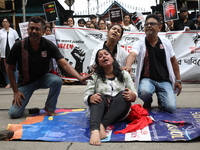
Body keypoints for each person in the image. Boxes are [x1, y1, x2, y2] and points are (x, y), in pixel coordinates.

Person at [6, 16, 90, 119]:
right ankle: (22, 106)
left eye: (37, 29)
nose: (34, 31)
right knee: (14, 114)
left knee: (57, 80)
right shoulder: (18, 46)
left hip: (43, 78)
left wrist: (79, 77)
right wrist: (15, 91)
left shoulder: (48, 45)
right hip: (25, 82)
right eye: (31, 28)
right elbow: (9, 68)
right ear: (27, 30)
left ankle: (49, 107)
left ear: (43, 31)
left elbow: (64, 64)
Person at [123, 14, 182, 113]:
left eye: (152, 24)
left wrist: (178, 80)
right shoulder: (140, 43)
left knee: (170, 108)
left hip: (164, 80)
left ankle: (160, 96)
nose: (149, 26)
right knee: (144, 92)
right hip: (147, 79)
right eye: (147, 24)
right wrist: (128, 66)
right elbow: (132, 55)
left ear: (159, 27)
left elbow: (174, 61)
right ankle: (148, 100)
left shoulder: (166, 42)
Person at [84, 49, 137, 146]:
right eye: (100, 56)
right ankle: (95, 130)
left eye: (106, 54)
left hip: (119, 112)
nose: (104, 56)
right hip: (100, 112)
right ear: (99, 63)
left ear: (112, 58)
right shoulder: (94, 76)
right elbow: (87, 95)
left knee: (123, 94)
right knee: (97, 97)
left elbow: (133, 93)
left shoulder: (124, 74)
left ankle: (102, 125)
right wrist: (90, 98)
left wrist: (132, 95)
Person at [0, 18, 19, 88]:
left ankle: (16, 82)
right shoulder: (0, 32)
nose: (5, 23)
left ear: (9, 23)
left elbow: (17, 41)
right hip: (3, 53)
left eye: (6, 21)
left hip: (12, 53)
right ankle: (8, 83)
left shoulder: (13, 32)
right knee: (5, 69)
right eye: (3, 22)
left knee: (14, 68)